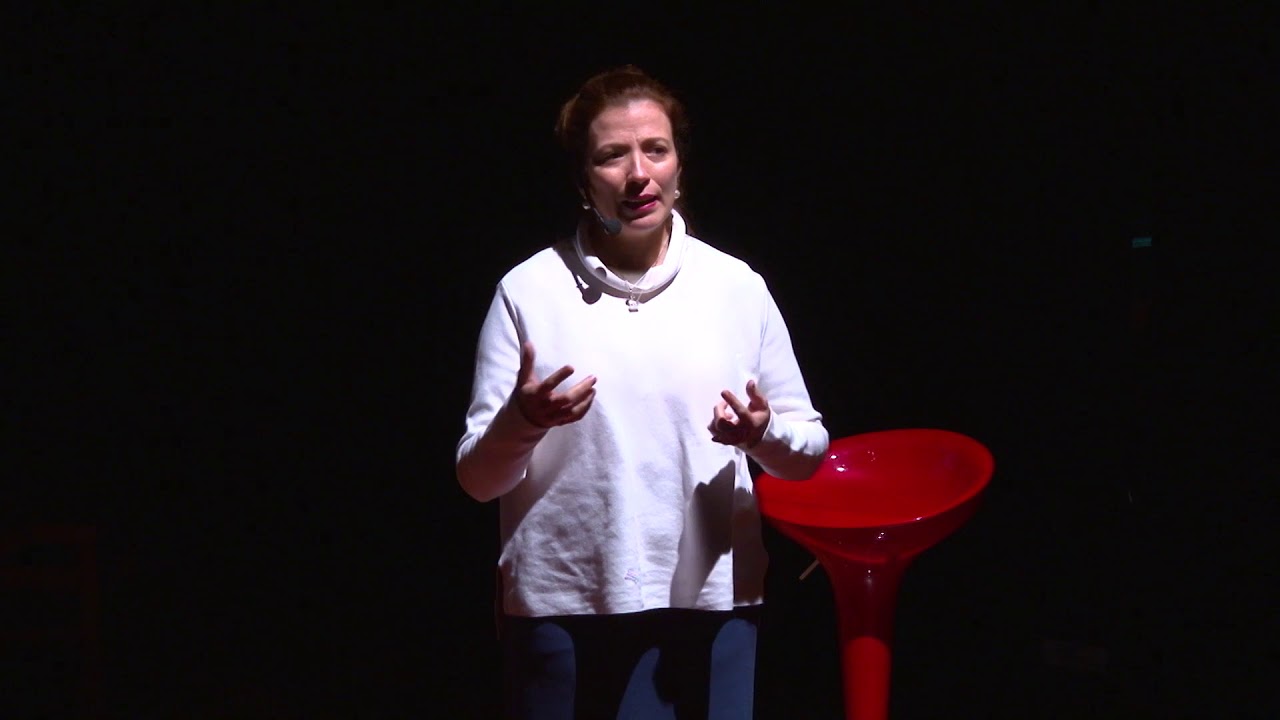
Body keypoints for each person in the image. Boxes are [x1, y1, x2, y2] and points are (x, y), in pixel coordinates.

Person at [456, 65, 829, 719]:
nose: (638, 174)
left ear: (680, 166)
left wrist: (762, 433)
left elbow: (808, 454)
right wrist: (524, 420)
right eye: (612, 155)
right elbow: (477, 480)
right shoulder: (529, 291)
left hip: (713, 603)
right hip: (567, 603)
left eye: (656, 149)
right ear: (582, 179)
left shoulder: (735, 288)